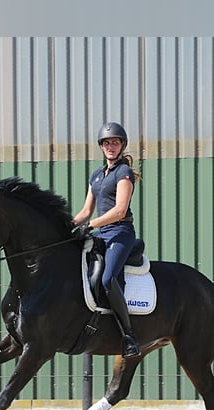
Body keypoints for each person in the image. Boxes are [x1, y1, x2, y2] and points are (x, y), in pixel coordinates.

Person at [72, 121, 141, 358]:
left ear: (122, 145)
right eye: (107, 143)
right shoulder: (96, 176)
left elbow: (120, 210)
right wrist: (67, 226)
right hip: (101, 232)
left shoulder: (124, 172)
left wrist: (89, 226)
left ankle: (129, 336)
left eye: (115, 142)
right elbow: (85, 212)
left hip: (120, 232)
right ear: (101, 146)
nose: (111, 146)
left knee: (108, 278)